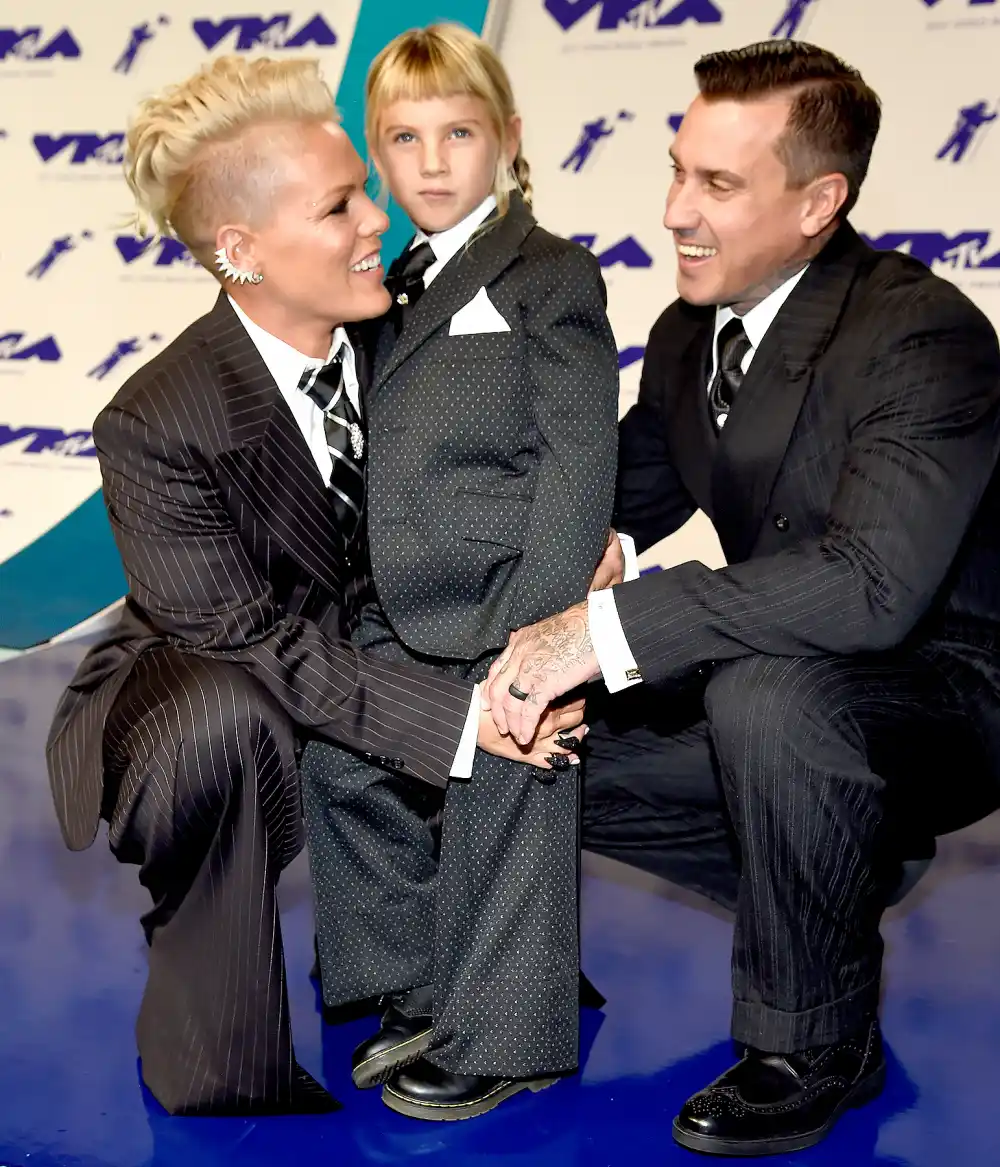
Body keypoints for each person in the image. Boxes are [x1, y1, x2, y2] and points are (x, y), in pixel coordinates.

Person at [44, 53, 589, 1118]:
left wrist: (601, 534)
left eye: (366, 194)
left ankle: (471, 977)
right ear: (241, 252)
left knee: (577, 694)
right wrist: (470, 720)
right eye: (341, 205)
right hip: (215, 683)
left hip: (394, 660)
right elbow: (253, 642)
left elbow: (536, 447)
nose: (376, 220)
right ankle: (223, 1062)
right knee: (220, 719)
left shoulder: (410, 331)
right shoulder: (156, 420)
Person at [484, 40, 1000, 1157]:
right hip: (778, 697)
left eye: (716, 185)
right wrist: (519, 602)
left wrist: (604, 628)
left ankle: (815, 1042)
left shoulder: (924, 335)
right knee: (512, 733)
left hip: (942, 694)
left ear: (820, 201)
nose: (674, 209)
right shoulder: (689, 332)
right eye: (677, 170)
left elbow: (867, 592)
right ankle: (821, 863)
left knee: (765, 693)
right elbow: (620, 498)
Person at [299, 23, 620, 1122]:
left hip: (505, 602)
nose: (432, 162)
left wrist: (540, 643)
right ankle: (419, 988)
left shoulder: (549, 274)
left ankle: (510, 1035)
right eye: (403, 139)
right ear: (373, 160)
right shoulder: (377, 284)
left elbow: (579, 465)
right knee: (339, 762)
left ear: (508, 142)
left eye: (458, 134)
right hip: (394, 605)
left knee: (508, 778)